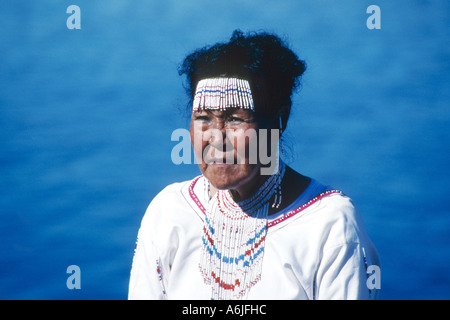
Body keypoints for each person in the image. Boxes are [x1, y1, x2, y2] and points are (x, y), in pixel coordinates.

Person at [128, 30, 380, 300]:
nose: (216, 137)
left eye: (235, 118)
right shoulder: (168, 214)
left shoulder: (329, 225)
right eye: (203, 118)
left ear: (279, 119)